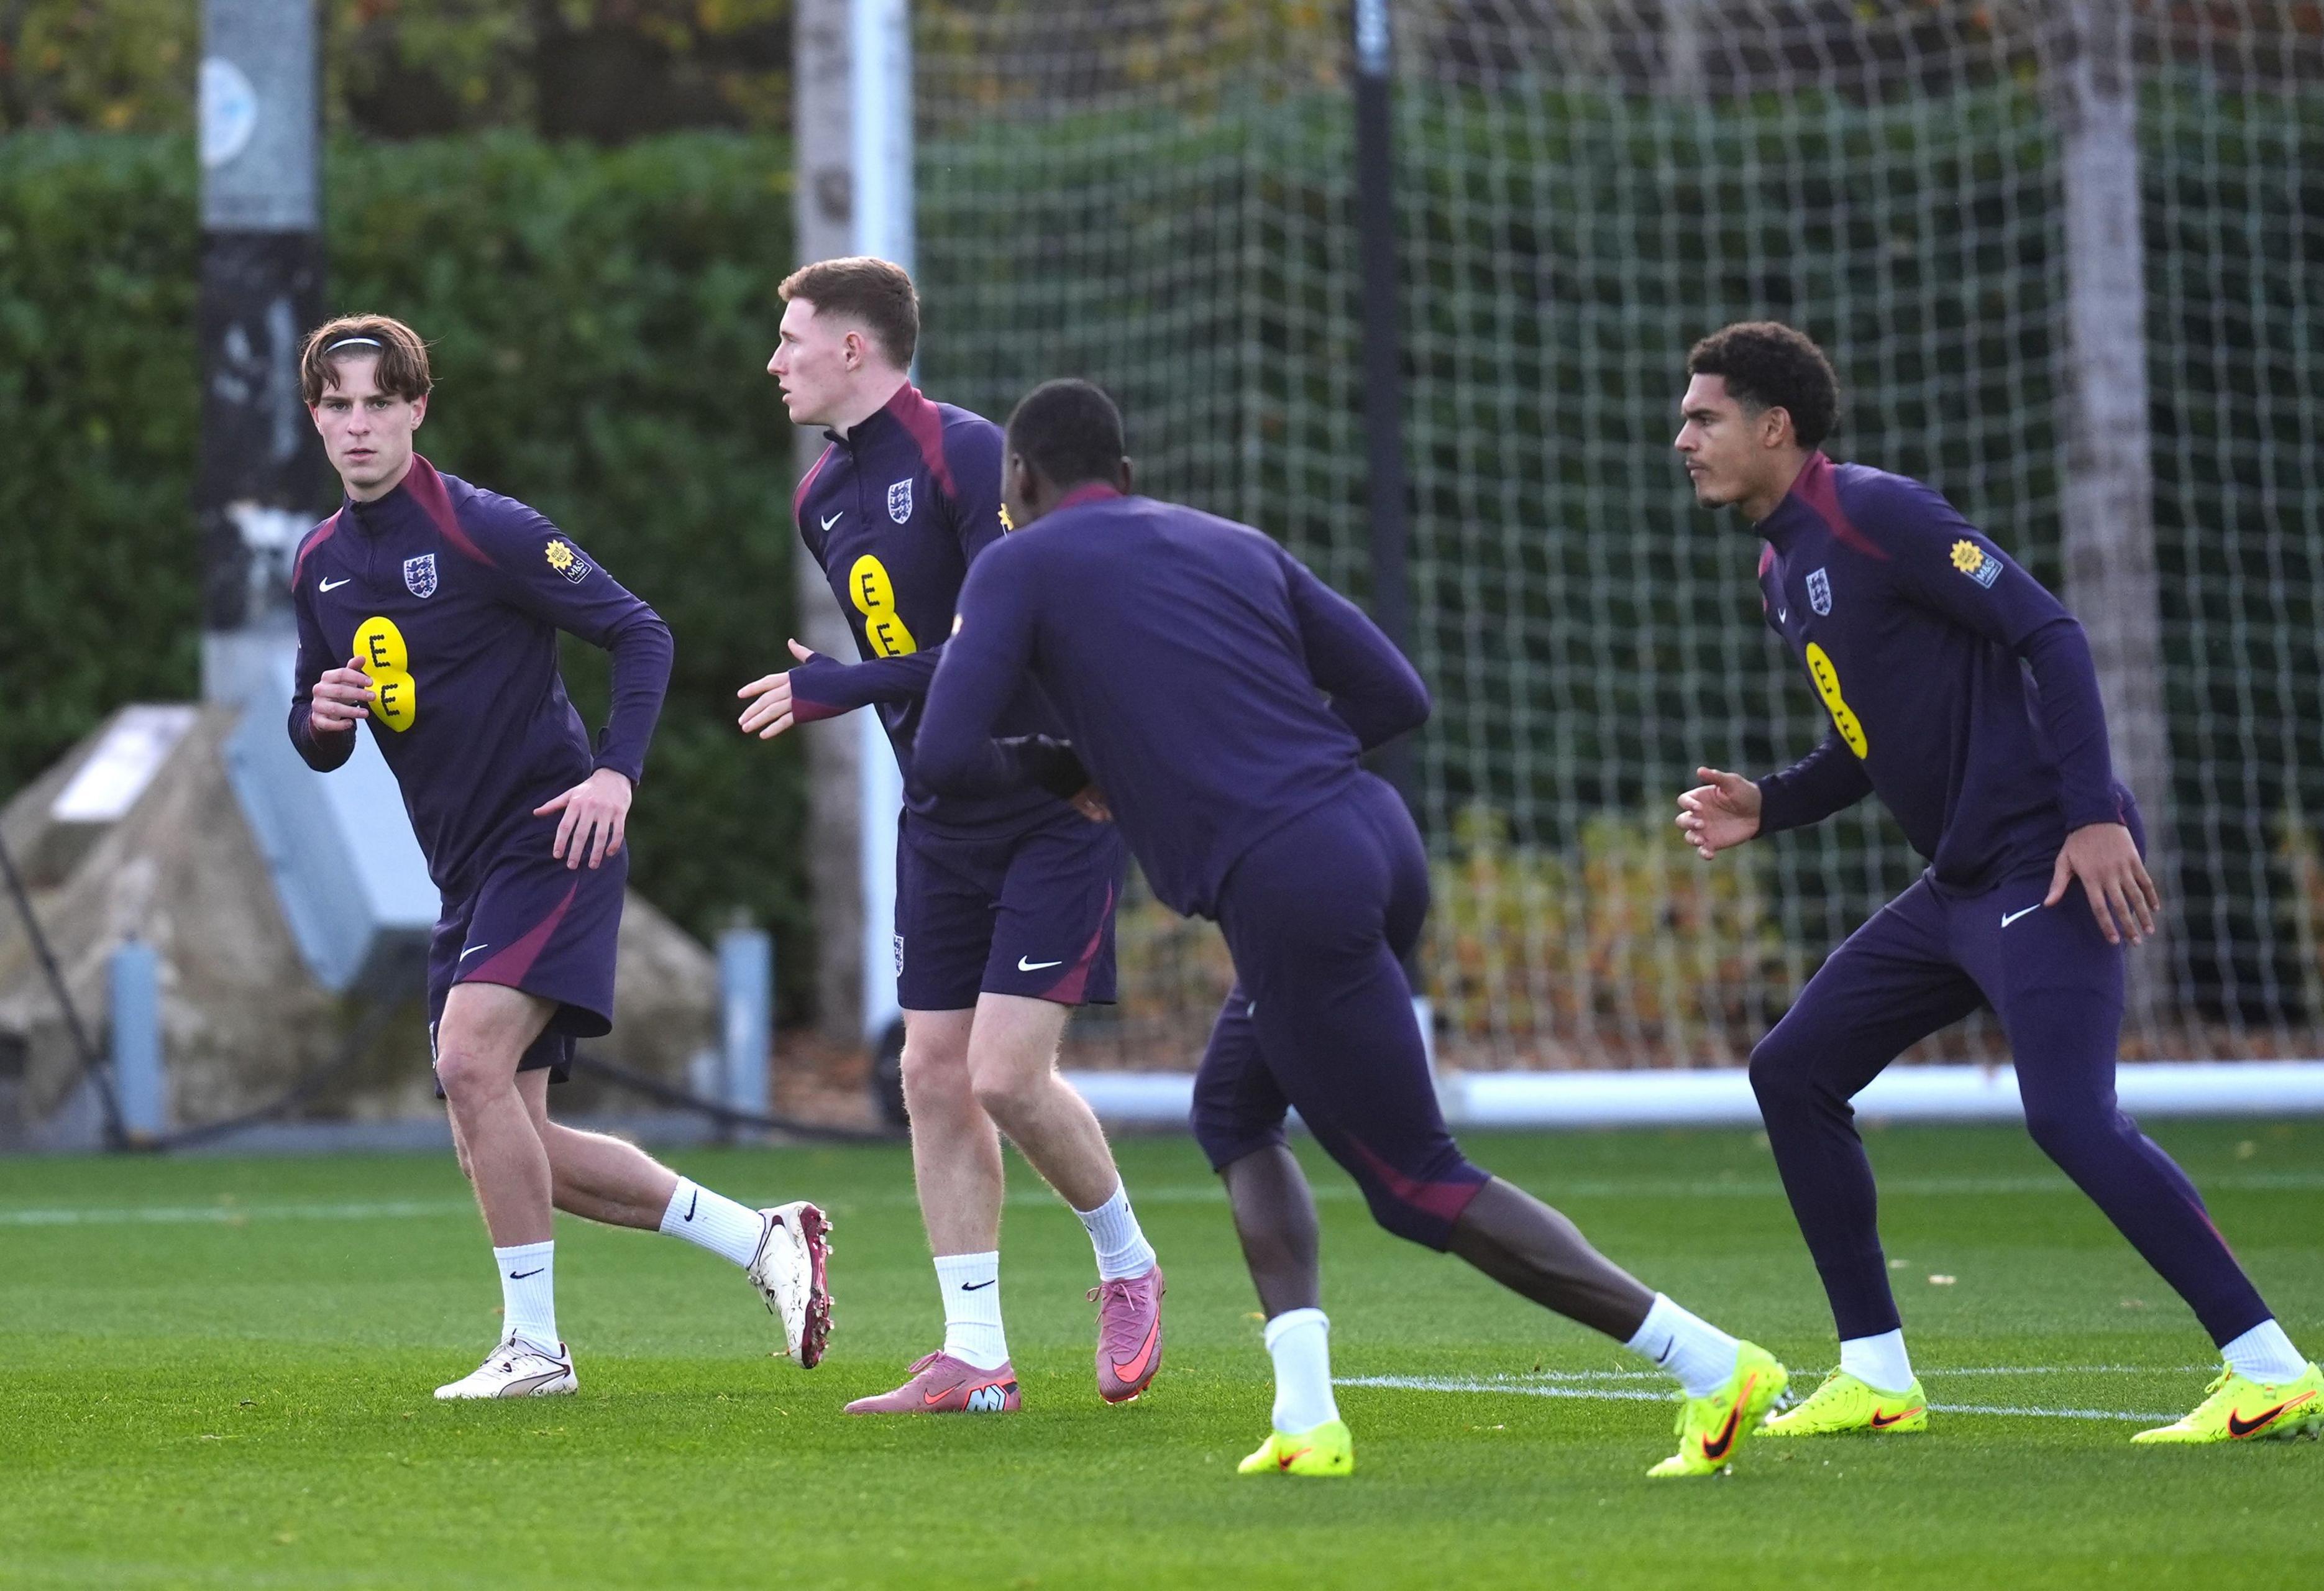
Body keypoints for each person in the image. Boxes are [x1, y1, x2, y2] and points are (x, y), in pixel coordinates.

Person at [913, 377, 1786, 1479]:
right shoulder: (1232, 542)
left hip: (1290, 883)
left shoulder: (1015, 562)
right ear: (1128, 479)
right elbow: (1396, 699)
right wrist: (1253, 759)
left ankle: (1711, 1365)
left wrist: (1077, 767)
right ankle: (1307, 1416)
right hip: (1375, 838)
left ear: (1023, 485)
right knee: (1232, 1113)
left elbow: (946, 761)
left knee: (1419, 1185)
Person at [1670, 320, 2324, 1444]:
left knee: (2069, 1116)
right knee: (1794, 1072)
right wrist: (1770, 804)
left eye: (1704, 416)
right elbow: (1865, 741)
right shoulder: (1781, 565)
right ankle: (1878, 1377)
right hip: (1962, 882)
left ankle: (2271, 1369)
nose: (1682, 437)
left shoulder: (1877, 514)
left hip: (2047, 862)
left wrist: (2091, 816)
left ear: (1774, 427)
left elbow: (2050, 633)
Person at [288, 314, 831, 1400]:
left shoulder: (483, 528)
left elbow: (643, 632)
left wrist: (615, 773)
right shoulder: (320, 566)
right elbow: (312, 737)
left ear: (415, 410)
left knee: (468, 1064)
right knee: (512, 1136)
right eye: (337, 406)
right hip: (466, 871)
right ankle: (763, 1237)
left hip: (554, 838)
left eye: (377, 403)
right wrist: (324, 713)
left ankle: (536, 1351)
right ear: (316, 417)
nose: (358, 425)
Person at [735, 260, 1161, 1414]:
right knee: (930, 1075)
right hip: (943, 817)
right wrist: (861, 690)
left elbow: (1005, 639)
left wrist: (844, 683)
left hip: (1054, 802)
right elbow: (916, 679)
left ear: (856, 350)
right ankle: (976, 1355)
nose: (775, 361)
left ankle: (1127, 1265)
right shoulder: (820, 495)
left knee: (1009, 1076)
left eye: (791, 339)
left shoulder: (968, 456)